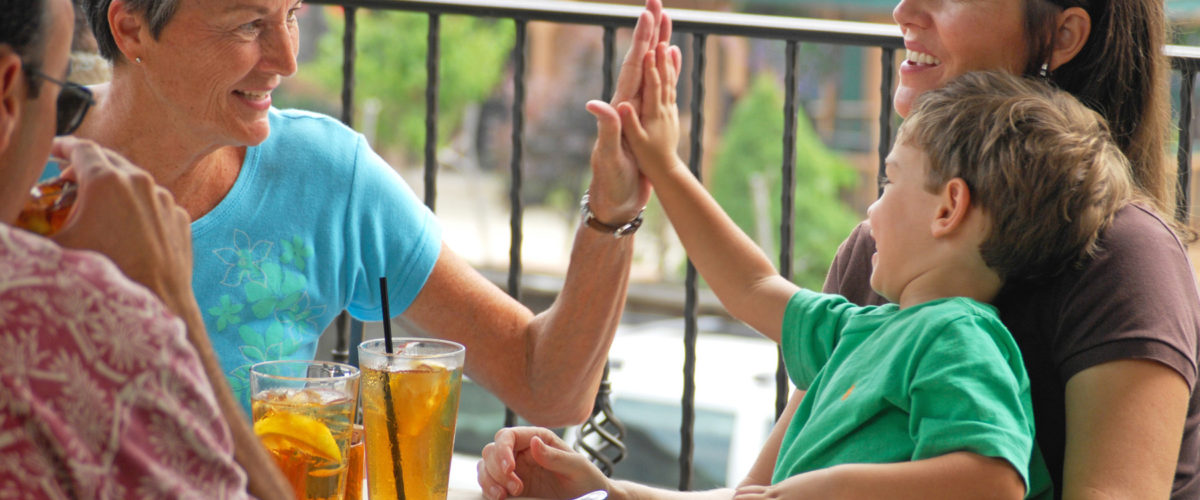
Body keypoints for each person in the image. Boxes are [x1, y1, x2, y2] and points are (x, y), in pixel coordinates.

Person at [486, 0, 1200, 498]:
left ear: (1063, 34)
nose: (903, 9)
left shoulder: (1121, 263)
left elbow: (986, 482)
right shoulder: (880, 276)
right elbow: (758, 490)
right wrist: (603, 491)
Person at [75, 0, 679, 425]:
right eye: (249, 25)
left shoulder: (325, 176)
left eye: (291, 15)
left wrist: (614, 212)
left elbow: (546, 385)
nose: (286, 58)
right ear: (131, 29)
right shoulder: (32, 162)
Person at [0, 0, 292, 497]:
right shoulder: (86, 317)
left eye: (294, 15)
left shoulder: (323, 164)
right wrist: (170, 304)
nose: (289, 61)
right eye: (61, 99)